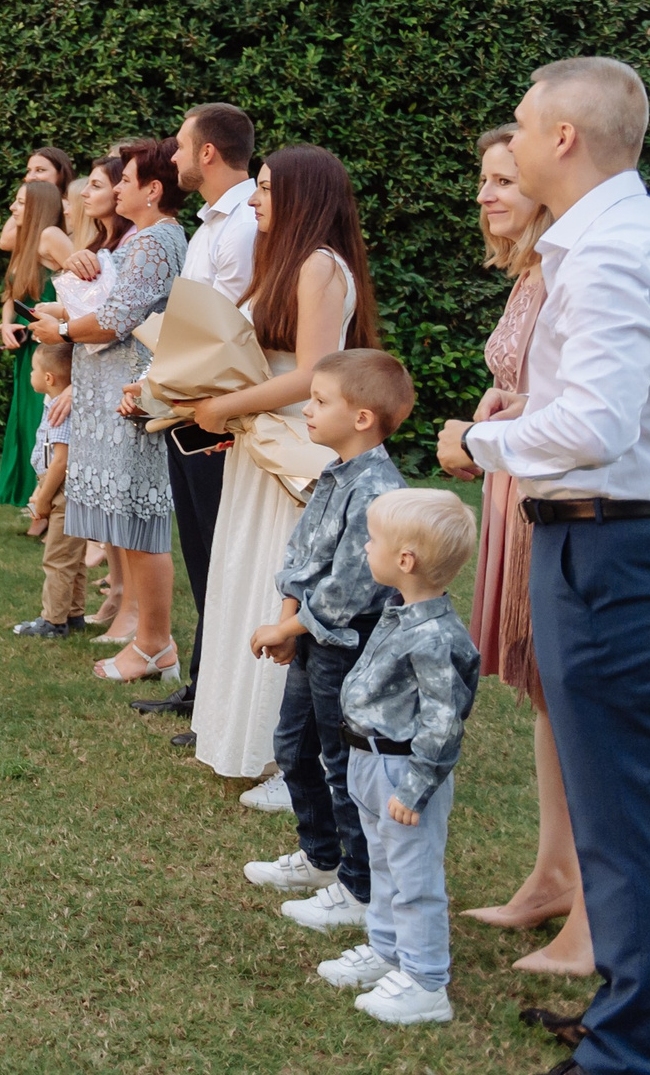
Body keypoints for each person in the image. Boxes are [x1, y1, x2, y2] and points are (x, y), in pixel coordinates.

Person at [442, 57, 650, 1075]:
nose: (504, 143)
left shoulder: (610, 253)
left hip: (619, 544)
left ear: (562, 139)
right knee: (618, 808)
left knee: (628, 810)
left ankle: (638, 1050)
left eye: (518, 125)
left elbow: (596, 425)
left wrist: (476, 446)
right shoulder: (633, 237)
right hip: (622, 537)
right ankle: (634, 1014)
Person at [178, 144, 375, 792]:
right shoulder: (280, 265)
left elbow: (316, 374)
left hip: (296, 445)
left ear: (304, 196)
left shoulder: (319, 267)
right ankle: (252, 742)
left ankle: (293, 764)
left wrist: (225, 405)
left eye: (265, 188)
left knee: (280, 590)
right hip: (259, 443)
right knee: (245, 579)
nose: (256, 200)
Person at [452, 128, 587, 975]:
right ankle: (553, 873)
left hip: (551, 492)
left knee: (570, 697)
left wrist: (493, 426)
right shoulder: (530, 274)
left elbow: (574, 400)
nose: (487, 194)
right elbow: (526, 381)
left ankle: (585, 904)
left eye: (505, 178)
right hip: (515, 478)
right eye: (484, 179)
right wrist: (496, 401)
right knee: (548, 698)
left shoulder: (572, 269)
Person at [242, 349, 409, 933]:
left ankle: (359, 890)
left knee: (343, 767)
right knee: (292, 747)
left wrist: (287, 627)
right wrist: (289, 620)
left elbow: (349, 590)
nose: (306, 410)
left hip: (346, 646)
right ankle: (320, 859)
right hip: (310, 635)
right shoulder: (335, 472)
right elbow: (301, 554)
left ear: (361, 417)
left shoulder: (377, 490)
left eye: (319, 401)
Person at [317, 487, 481, 1029]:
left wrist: (416, 786)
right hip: (368, 759)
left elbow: (443, 718)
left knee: (413, 876)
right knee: (384, 865)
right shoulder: (398, 612)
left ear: (405, 560)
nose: (365, 546)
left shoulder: (434, 635)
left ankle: (426, 981)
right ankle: (387, 952)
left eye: (375, 539)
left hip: (402, 770)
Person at [31, 139, 187, 681]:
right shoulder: (138, 240)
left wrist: (64, 330)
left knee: (141, 527)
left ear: (153, 190)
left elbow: (117, 318)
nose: (117, 186)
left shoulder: (156, 242)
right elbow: (99, 302)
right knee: (124, 524)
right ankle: (143, 636)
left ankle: (153, 643)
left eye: (126, 180)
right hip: (108, 397)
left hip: (130, 399)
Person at [140, 102, 260, 735]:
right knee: (200, 552)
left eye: (182, 147)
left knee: (221, 555)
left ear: (209, 153)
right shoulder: (210, 224)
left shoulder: (242, 224)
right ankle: (204, 687)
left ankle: (217, 698)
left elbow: (237, 334)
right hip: (187, 404)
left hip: (215, 412)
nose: (176, 156)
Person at [38, 154, 133, 629]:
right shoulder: (100, 244)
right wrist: (55, 310)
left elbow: (118, 322)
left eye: (95, 185)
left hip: (116, 385)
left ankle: (127, 605)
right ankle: (117, 595)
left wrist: (65, 333)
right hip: (93, 376)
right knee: (106, 503)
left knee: (121, 503)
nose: (84, 194)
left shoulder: (130, 246)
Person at [0, 175, 67, 507]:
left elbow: (90, 288)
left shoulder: (51, 240)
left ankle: (46, 501)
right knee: (26, 425)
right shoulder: (25, 244)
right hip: (27, 350)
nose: (12, 208)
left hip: (53, 350)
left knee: (47, 424)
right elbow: (12, 292)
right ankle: (30, 497)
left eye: (21, 202)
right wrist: (9, 325)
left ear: (38, 207)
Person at [11, 342, 83, 637]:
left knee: (57, 557)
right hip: (55, 486)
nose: (31, 375)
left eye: (33, 371)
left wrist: (42, 499)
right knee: (71, 558)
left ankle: (53, 621)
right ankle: (73, 612)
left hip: (61, 489)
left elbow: (61, 461)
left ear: (49, 379)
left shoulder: (60, 411)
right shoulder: (51, 404)